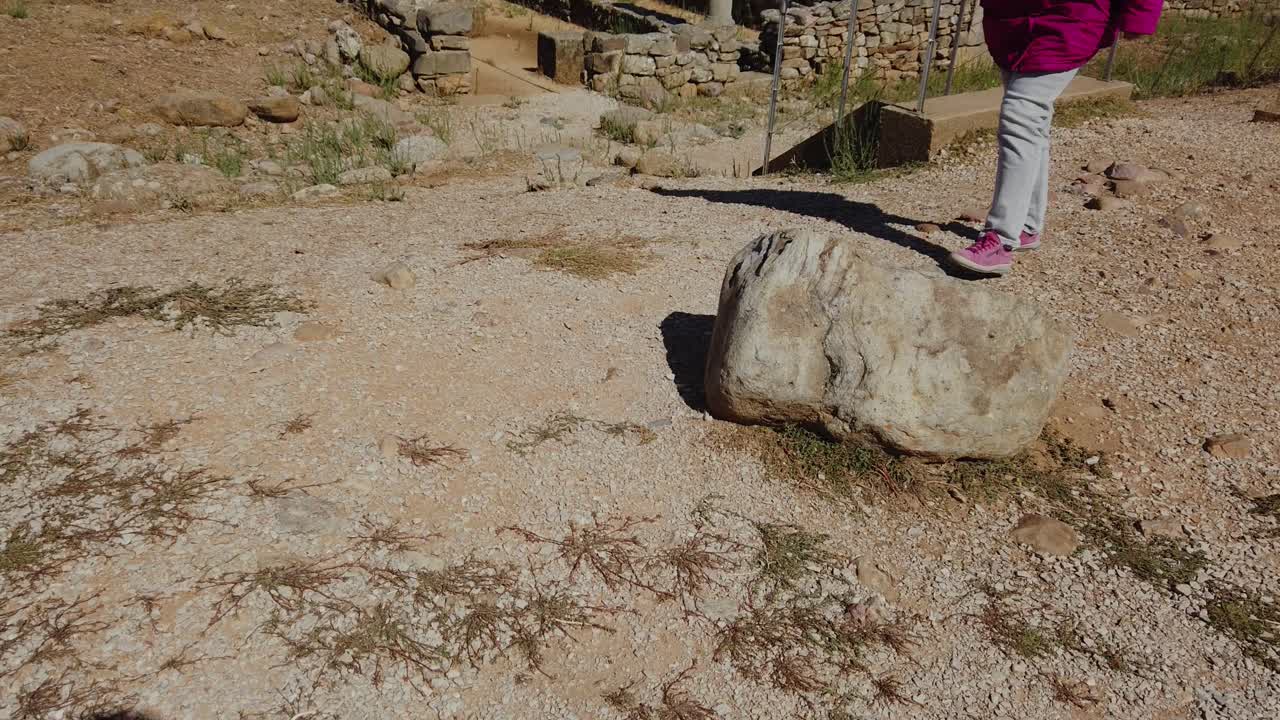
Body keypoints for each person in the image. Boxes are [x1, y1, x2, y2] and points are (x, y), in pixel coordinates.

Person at [948, 0, 1164, 276]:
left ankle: (1000, 239)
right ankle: (1026, 226)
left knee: (1021, 115)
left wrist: (1140, 16)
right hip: (1008, 23)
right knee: (1030, 123)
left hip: (1068, 20)